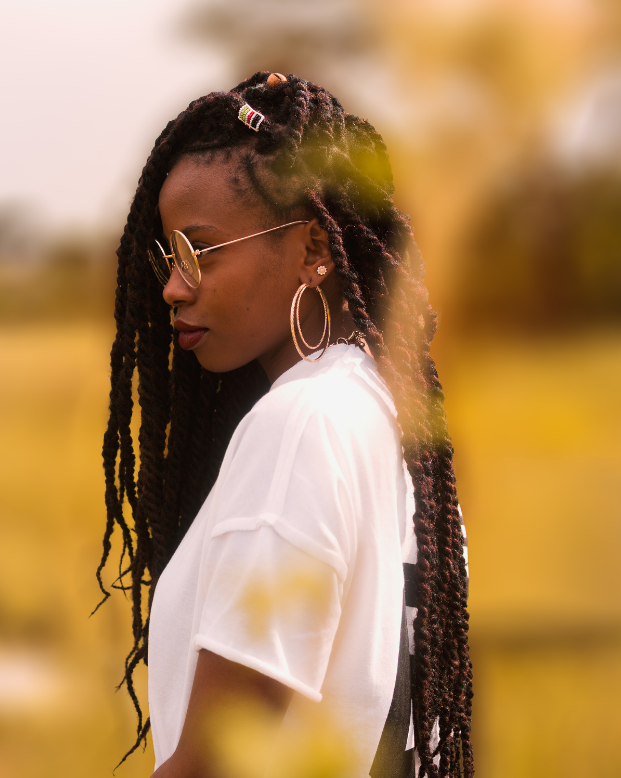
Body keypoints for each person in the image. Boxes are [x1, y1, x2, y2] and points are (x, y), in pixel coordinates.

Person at [97, 71, 473, 778]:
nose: (174, 287)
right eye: (164, 256)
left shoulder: (300, 424)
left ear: (312, 250)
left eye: (198, 252)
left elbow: (221, 763)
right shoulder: (389, 420)